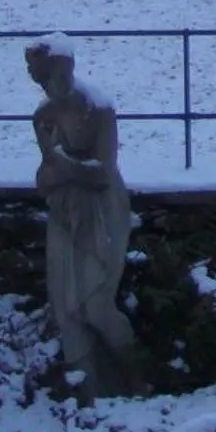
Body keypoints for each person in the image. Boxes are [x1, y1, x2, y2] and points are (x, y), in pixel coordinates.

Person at [25, 34, 139, 397]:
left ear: (71, 70)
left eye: (59, 77)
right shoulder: (43, 116)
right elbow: (45, 178)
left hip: (103, 213)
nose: (54, 87)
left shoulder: (98, 111)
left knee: (97, 307)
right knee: (67, 311)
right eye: (45, 82)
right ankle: (88, 390)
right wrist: (55, 169)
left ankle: (136, 377)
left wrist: (59, 161)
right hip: (64, 213)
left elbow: (103, 174)